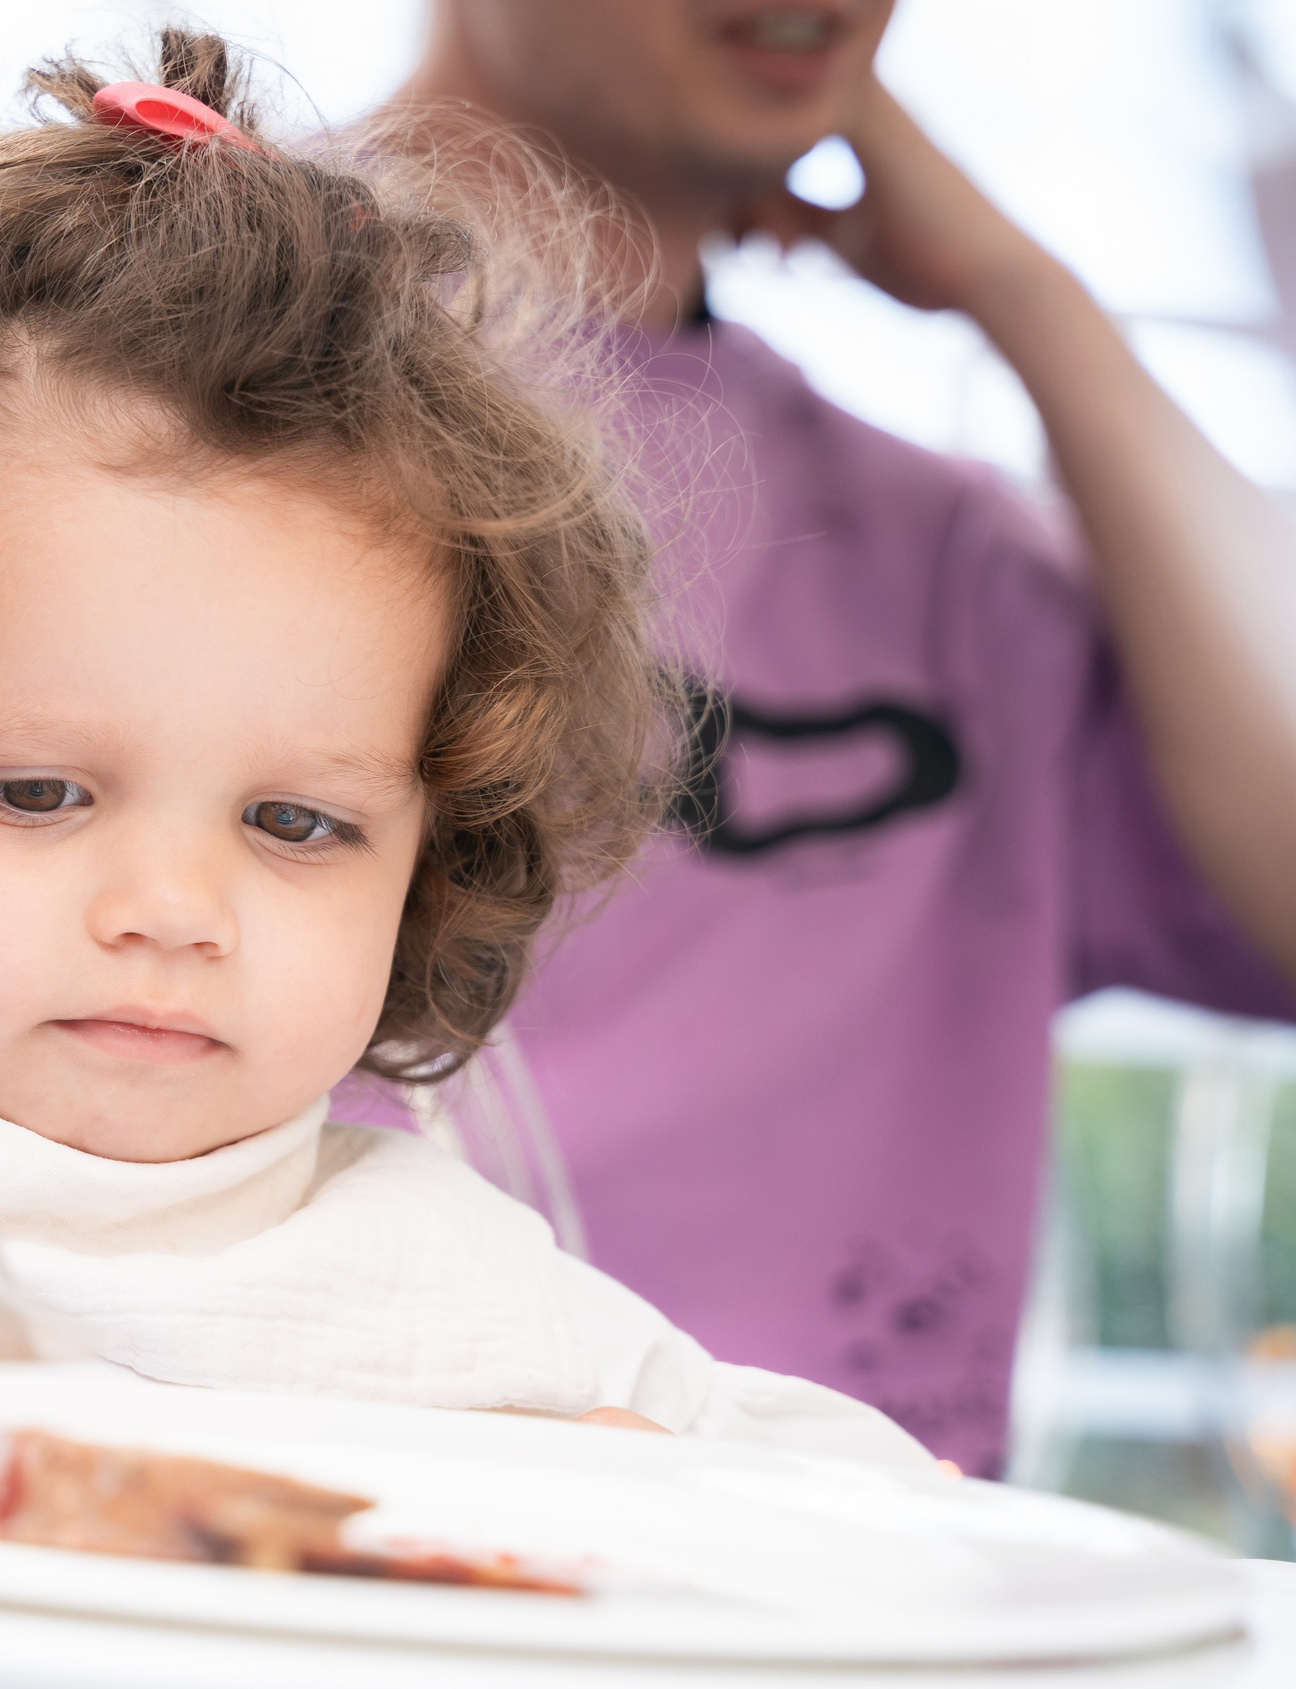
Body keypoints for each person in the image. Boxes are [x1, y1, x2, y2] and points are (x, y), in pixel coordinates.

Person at [0, 34, 929, 1469]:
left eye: (296, 823)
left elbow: (898, 1552)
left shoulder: (521, 1333)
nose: (171, 909)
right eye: (34, 793)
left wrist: (671, 1528)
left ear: (426, 848)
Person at [377, 0, 1296, 1476]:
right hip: (304, 1566)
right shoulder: (147, 368)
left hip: (846, 1611)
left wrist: (1033, 303)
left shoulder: (953, 564)